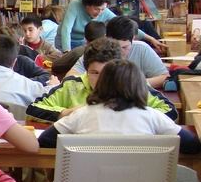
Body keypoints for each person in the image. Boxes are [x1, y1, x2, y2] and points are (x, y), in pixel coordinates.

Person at [38, 59, 200, 154]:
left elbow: (45, 140)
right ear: (139, 85)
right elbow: (193, 146)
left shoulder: (81, 115)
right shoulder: (153, 116)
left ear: (102, 83)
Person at [27, 38, 176, 123]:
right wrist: (68, 112)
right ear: (86, 70)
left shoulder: (132, 86)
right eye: (94, 73)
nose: (101, 79)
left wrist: (133, 114)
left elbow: (170, 111)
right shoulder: (71, 85)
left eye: (107, 73)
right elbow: (34, 109)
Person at [67, 16, 169, 89]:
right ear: (106, 38)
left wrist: (133, 84)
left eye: (125, 47)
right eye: (114, 46)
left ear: (133, 39)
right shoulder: (96, 50)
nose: (119, 52)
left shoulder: (142, 49)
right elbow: (69, 78)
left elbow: (163, 77)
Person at [57, 0, 162, 52]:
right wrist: (67, 53)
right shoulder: (75, 5)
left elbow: (124, 26)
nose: (99, 13)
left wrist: (151, 39)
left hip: (85, 42)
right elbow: (66, 30)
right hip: (64, 41)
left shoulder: (104, 11)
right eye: (96, 9)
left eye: (102, 9)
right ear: (86, 5)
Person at [0, 35, 55, 110]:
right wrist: (53, 85)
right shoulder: (25, 84)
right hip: (16, 123)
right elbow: (47, 96)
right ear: (14, 62)